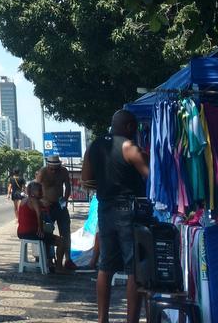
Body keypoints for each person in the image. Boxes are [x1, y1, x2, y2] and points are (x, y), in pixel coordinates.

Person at [82, 109, 149, 323]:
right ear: (129, 127)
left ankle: (102, 319)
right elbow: (152, 176)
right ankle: (132, 321)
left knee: (105, 265)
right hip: (128, 209)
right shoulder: (129, 147)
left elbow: (86, 181)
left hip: (105, 207)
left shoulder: (93, 147)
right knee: (133, 268)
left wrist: (106, 184)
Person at [36, 154, 74, 270]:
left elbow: (68, 186)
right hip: (46, 207)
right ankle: (48, 259)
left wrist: (65, 199)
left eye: (55, 169)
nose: (53, 171)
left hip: (60, 205)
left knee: (66, 232)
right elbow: (35, 188)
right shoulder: (43, 172)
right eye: (51, 168)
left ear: (59, 166)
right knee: (47, 232)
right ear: (48, 165)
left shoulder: (63, 172)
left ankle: (67, 259)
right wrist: (41, 202)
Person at [16, 181, 57, 269]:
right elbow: (39, 215)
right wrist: (40, 228)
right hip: (30, 232)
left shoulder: (23, 200)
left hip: (21, 232)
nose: (42, 192)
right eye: (40, 190)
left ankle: (45, 260)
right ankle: (59, 267)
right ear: (34, 191)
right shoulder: (34, 201)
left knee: (47, 237)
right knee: (61, 242)